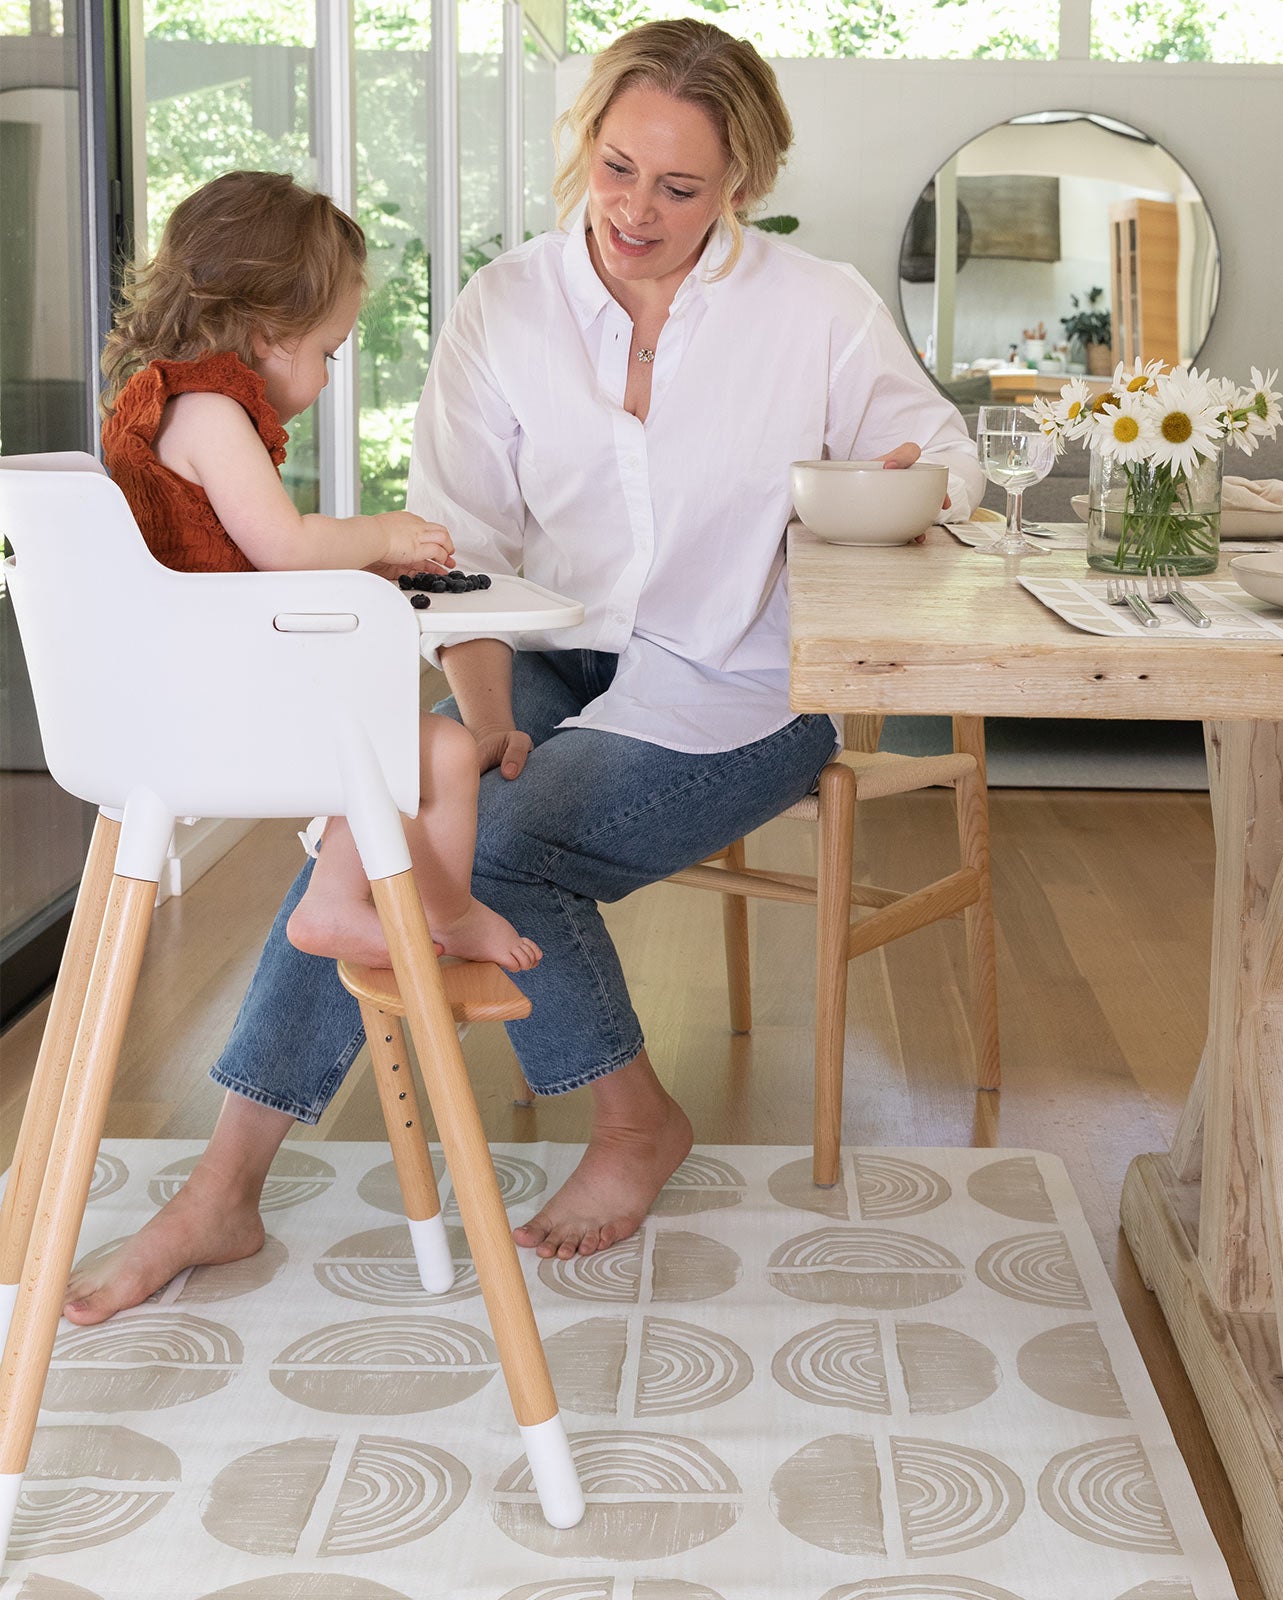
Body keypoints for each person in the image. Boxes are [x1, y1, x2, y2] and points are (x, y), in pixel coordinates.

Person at [63, 19, 982, 1326]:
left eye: (680, 187)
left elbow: (945, 458)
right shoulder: (507, 309)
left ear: (741, 187)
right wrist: (487, 718)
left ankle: (636, 1123)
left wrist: (914, 485)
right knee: (390, 819)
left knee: (488, 845)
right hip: (540, 657)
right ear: (584, 148)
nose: (638, 212)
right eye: (617, 170)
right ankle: (224, 1190)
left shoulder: (818, 310)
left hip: (743, 677)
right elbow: (466, 556)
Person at [98, 170, 541, 977]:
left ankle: (428, 909)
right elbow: (285, 547)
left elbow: (229, 549)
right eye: (329, 352)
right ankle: (354, 904)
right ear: (269, 332)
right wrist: (385, 532)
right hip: (222, 711)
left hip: (176, 700)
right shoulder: (211, 413)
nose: (331, 376)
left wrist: (360, 557)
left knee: (437, 748)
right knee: (429, 752)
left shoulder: (155, 404)